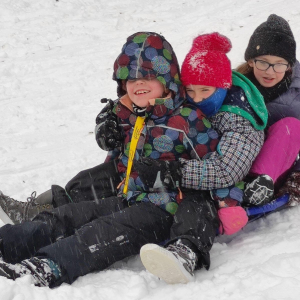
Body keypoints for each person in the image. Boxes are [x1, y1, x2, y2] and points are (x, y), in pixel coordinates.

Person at [0, 31, 220, 288]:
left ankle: (45, 267)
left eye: (148, 76)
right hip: (126, 197)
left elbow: (216, 172)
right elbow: (111, 147)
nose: (138, 83)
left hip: (163, 210)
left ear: (167, 80)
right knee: (67, 217)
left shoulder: (189, 121)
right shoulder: (130, 114)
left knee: (100, 234)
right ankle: (9, 243)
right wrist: (105, 126)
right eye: (131, 78)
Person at [134, 32, 268, 284]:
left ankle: (185, 252)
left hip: (217, 185)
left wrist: (174, 172)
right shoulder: (189, 103)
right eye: (190, 91)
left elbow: (227, 170)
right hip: (176, 167)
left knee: (196, 205)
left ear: (223, 87)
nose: (196, 99)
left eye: (205, 90)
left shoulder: (239, 119)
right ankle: (59, 202)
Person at [235, 14, 300, 207]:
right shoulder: (237, 84)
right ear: (251, 61)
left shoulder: (296, 98)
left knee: (291, 126)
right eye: (263, 62)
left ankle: (258, 185)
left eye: (279, 64)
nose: (270, 71)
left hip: (276, 166)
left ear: (289, 66)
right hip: (238, 156)